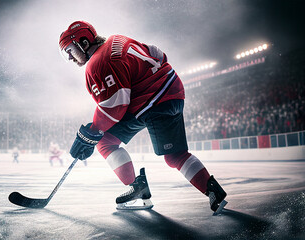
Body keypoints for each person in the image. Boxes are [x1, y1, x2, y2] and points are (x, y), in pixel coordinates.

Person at [59, 21, 227, 212]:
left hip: (153, 102)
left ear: (84, 42)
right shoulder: (117, 39)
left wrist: (92, 132)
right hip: (169, 92)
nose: (70, 57)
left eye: (70, 50)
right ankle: (207, 190)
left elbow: (115, 107)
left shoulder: (97, 64)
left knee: (112, 143)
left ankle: (142, 190)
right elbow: (157, 53)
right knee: (167, 154)